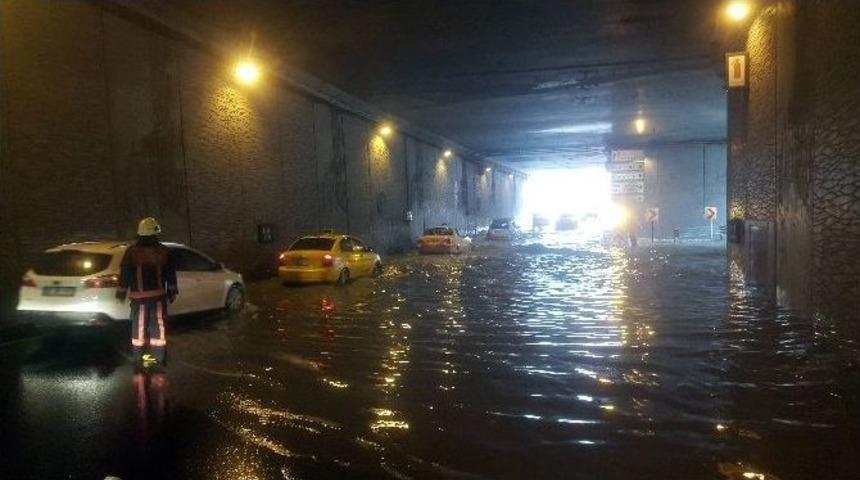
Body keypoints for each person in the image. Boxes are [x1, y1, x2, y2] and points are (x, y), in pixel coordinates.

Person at [116, 217, 178, 371]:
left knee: (139, 327)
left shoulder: (131, 252)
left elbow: (125, 274)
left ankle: (138, 358)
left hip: (139, 298)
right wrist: (172, 291)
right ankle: (158, 357)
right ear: (155, 234)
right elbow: (170, 274)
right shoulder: (164, 251)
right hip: (158, 297)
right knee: (158, 326)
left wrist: (121, 292)